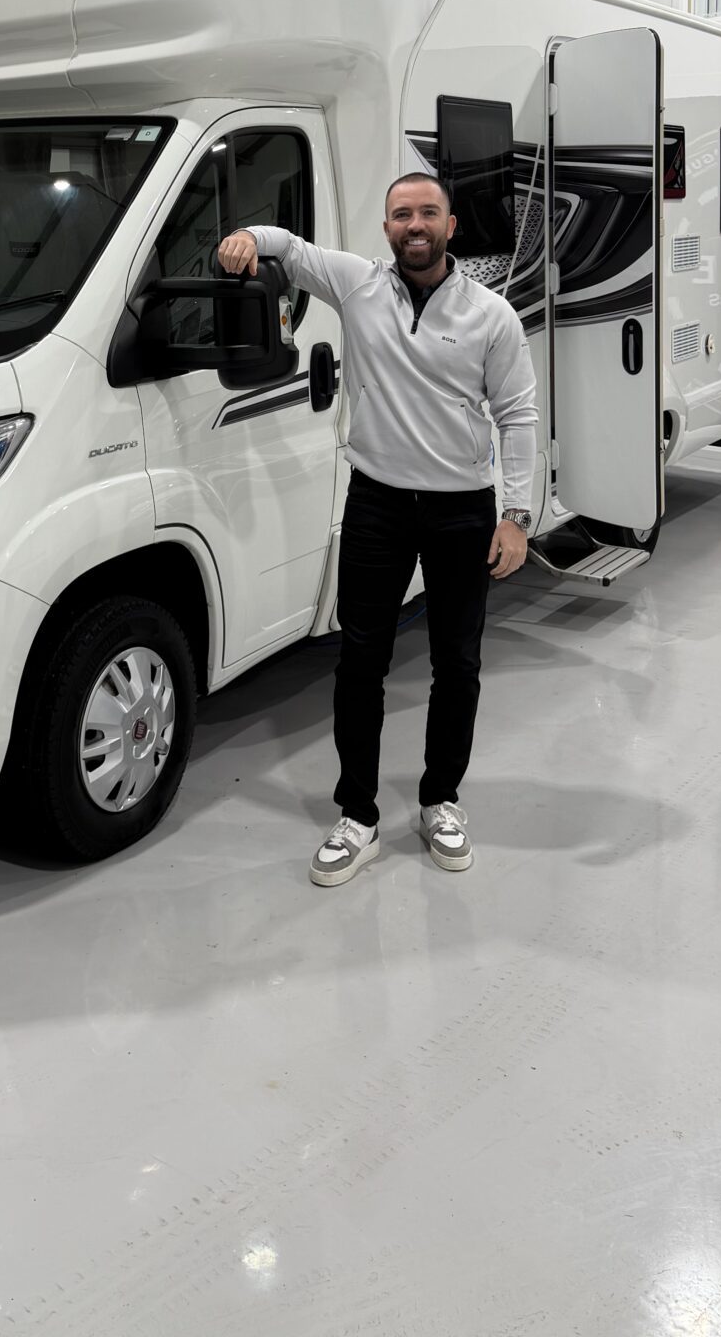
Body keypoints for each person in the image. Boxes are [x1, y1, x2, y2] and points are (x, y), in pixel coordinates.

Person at [216, 173, 538, 887]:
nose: (414, 225)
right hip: (377, 503)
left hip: (462, 509)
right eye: (401, 214)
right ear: (387, 227)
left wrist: (517, 517)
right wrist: (245, 239)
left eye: (428, 213)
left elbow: (518, 416)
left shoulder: (491, 315)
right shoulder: (358, 284)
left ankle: (440, 801)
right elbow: (288, 248)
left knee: (457, 664)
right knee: (361, 663)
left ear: (451, 226)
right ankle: (357, 816)